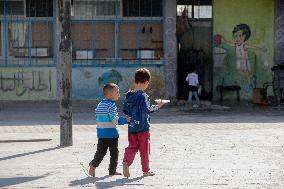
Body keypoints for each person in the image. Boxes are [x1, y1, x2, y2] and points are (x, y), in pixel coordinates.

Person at [122, 68, 166, 178]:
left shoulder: (128, 95)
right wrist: (158, 105)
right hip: (143, 128)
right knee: (144, 149)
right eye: (147, 84)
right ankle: (146, 170)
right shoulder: (143, 96)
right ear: (146, 82)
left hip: (132, 127)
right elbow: (148, 109)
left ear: (135, 81)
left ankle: (126, 162)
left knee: (132, 146)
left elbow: (125, 110)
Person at [88, 83, 130, 177]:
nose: (119, 94)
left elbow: (98, 118)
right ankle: (112, 171)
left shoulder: (100, 104)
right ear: (110, 94)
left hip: (101, 133)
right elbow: (115, 120)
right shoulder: (111, 105)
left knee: (101, 152)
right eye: (117, 92)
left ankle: (93, 165)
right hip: (111, 134)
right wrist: (126, 120)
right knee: (114, 153)